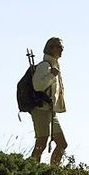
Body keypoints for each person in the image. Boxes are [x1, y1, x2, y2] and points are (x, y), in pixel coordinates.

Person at [30, 36, 67, 165]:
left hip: (50, 111)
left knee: (61, 144)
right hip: (41, 109)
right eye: (60, 47)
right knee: (41, 142)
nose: (62, 50)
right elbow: (37, 86)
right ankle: (32, 171)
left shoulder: (53, 65)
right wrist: (52, 75)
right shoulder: (45, 66)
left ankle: (52, 173)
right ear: (51, 48)